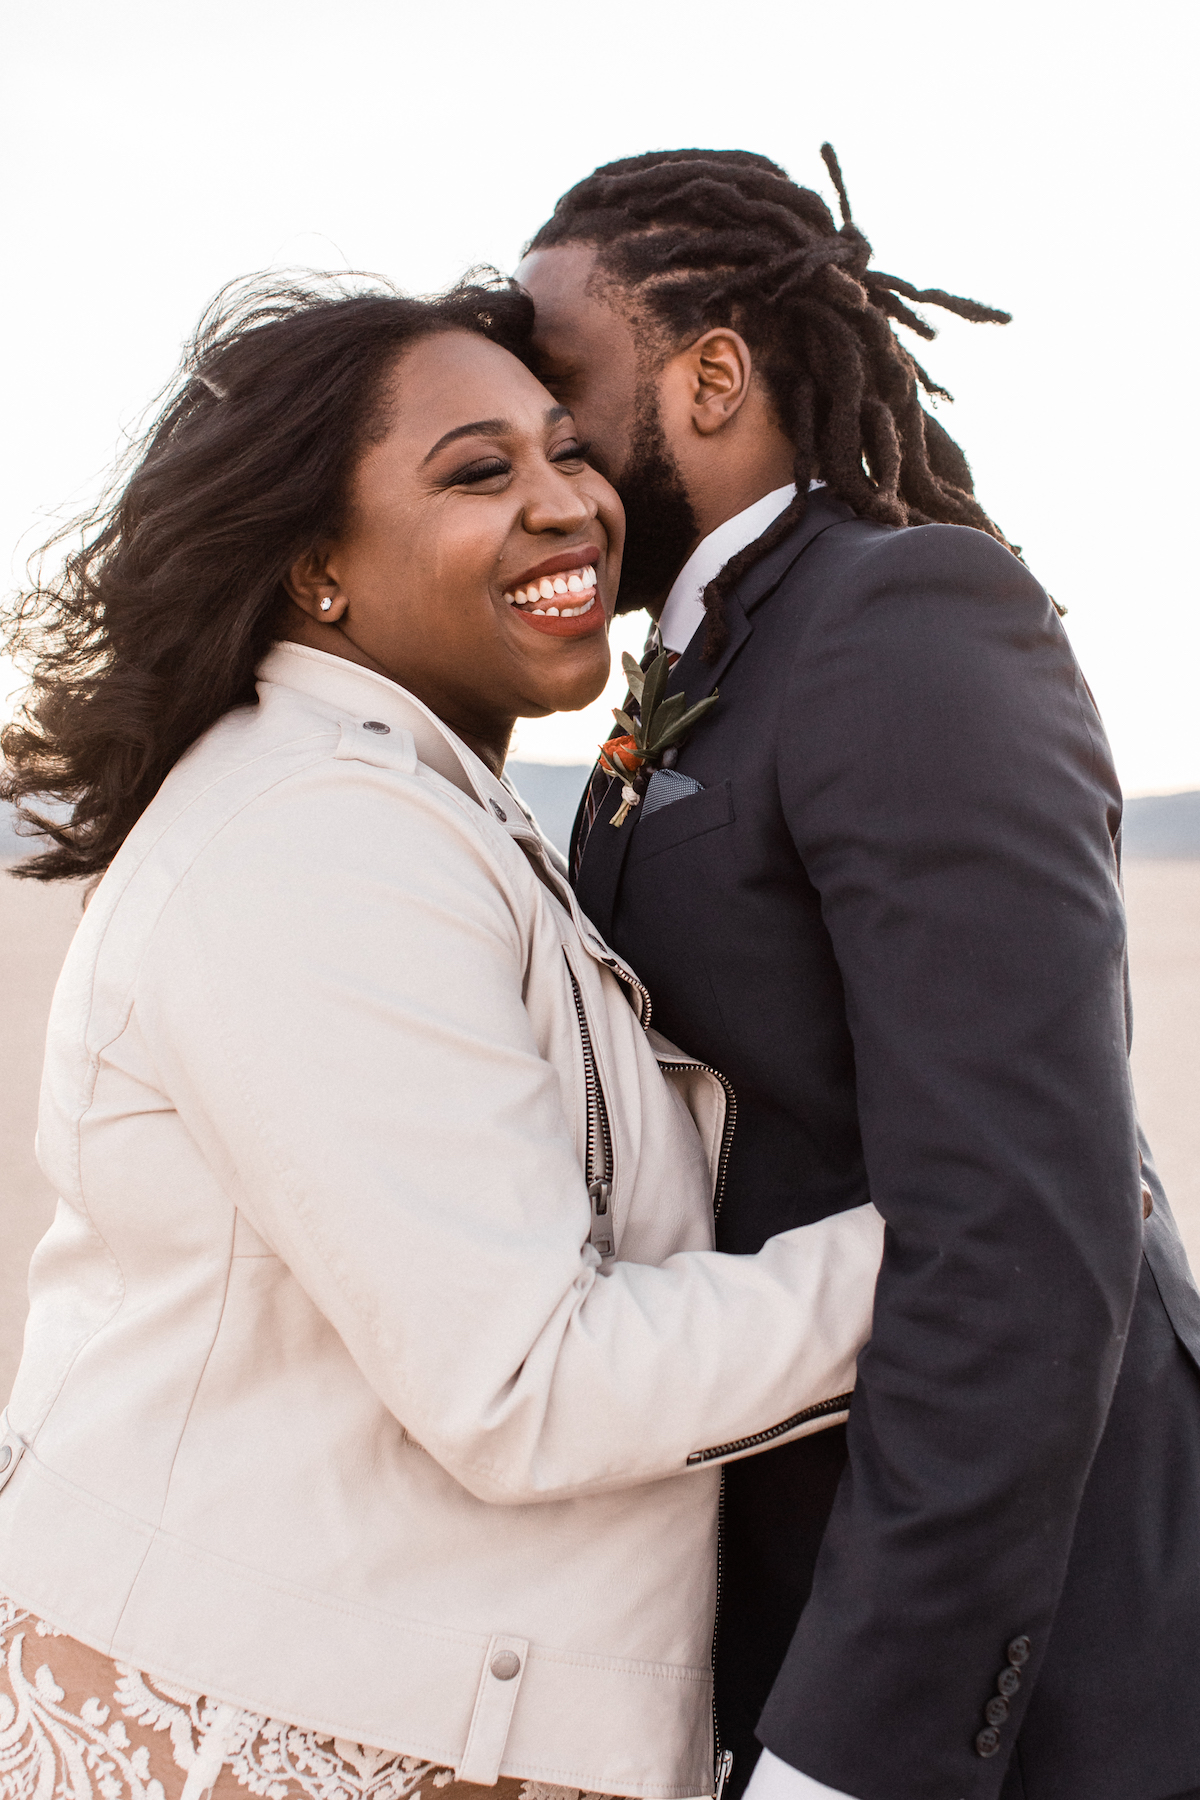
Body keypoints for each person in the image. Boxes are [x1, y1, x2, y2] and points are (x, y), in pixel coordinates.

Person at [0, 273, 886, 1800]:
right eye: (478, 473)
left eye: (565, 450)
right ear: (316, 568)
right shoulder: (319, 832)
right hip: (263, 1728)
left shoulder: (417, 805)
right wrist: (955, 1247)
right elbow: (527, 1381)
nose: (567, 504)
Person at [516, 147, 1200, 1800]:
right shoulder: (688, 665)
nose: (541, 444)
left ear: (715, 373)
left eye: (561, 382)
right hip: (798, 1553)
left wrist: (850, 1755)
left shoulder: (904, 616)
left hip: (1033, 1639)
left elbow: (1024, 1231)